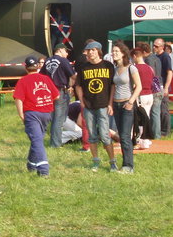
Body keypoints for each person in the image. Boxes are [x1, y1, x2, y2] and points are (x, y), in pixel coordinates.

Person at [75, 41, 118, 172]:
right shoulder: (83, 67)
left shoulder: (108, 66)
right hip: (89, 106)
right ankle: (95, 162)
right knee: (92, 135)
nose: (91, 53)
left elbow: (112, 86)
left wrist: (110, 103)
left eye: (93, 50)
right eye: (89, 50)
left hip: (103, 105)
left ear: (99, 51)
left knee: (105, 135)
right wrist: (82, 102)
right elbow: (78, 85)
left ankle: (112, 162)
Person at [13, 55, 59, 176]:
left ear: (25, 67)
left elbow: (18, 98)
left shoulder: (23, 81)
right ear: (38, 66)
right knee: (37, 139)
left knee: (37, 140)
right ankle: (31, 164)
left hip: (32, 113)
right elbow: (57, 96)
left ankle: (43, 169)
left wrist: (21, 114)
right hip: (46, 113)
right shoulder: (46, 79)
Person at [111, 41, 142, 174]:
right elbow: (113, 87)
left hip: (126, 105)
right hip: (116, 104)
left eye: (117, 51)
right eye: (113, 51)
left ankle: (128, 166)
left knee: (124, 136)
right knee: (121, 135)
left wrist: (130, 102)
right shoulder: (115, 69)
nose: (114, 53)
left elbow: (139, 86)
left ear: (123, 53)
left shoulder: (131, 68)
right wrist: (110, 103)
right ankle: (125, 164)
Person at [40, 43, 76, 148]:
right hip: (60, 91)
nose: (67, 53)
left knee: (54, 117)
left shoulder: (47, 61)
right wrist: (72, 85)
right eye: (66, 51)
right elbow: (73, 76)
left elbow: (41, 76)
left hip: (49, 92)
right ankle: (55, 144)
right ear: (60, 50)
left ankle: (55, 140)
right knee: (59, 119)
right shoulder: (64, 61)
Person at [138, 41, 163, 139]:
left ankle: (154, 135)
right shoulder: (157, 58)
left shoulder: (148, 60)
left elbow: (151, 74)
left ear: (143, 52)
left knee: (152, 113)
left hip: (153, 87)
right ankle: (156, 134)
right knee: (156, 112)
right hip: (160, 85)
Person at [153, 38, 172, 137]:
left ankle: (165, 131)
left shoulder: (165, 56)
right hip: (157, 86)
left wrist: (166, 87)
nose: (154, 47)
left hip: (163, 86)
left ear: (162, 47)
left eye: (156, 46)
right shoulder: (155, 56)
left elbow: (169, 72)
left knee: (164, 109)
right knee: (158, 110)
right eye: (154, 45)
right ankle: (160, 129)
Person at [131, 47, 155, 121]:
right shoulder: (150, 68)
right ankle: (146, 132)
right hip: (149, 95)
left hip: (140, 96)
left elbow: (133, 84)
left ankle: (140, 132)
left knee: (138, 118)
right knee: (146, 117)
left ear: (134, 56)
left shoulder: (134, 68)